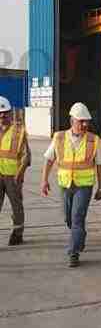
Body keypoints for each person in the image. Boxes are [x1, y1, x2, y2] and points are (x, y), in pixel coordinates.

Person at [40, 103, 101, 267]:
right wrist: (44, 180)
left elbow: (100, 166)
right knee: (68, 218)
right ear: (72, 121)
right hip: (65, 184)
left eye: (86, 121)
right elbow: (49, 159)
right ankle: (79, 235)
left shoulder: (93, 140)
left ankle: (73, 252)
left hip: (84, 186)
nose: (84, 124)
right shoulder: (59, 137)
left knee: (77, 217)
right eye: (81, 121)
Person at [0, 96, 31, 246]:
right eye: (0, 113)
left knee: (16, 206)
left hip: (13, 176)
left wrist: (20, 174)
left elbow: (26, 156)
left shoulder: (19, 132)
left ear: (10, 113)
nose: (2, 116)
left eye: (5, 113)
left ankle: (17, 234)